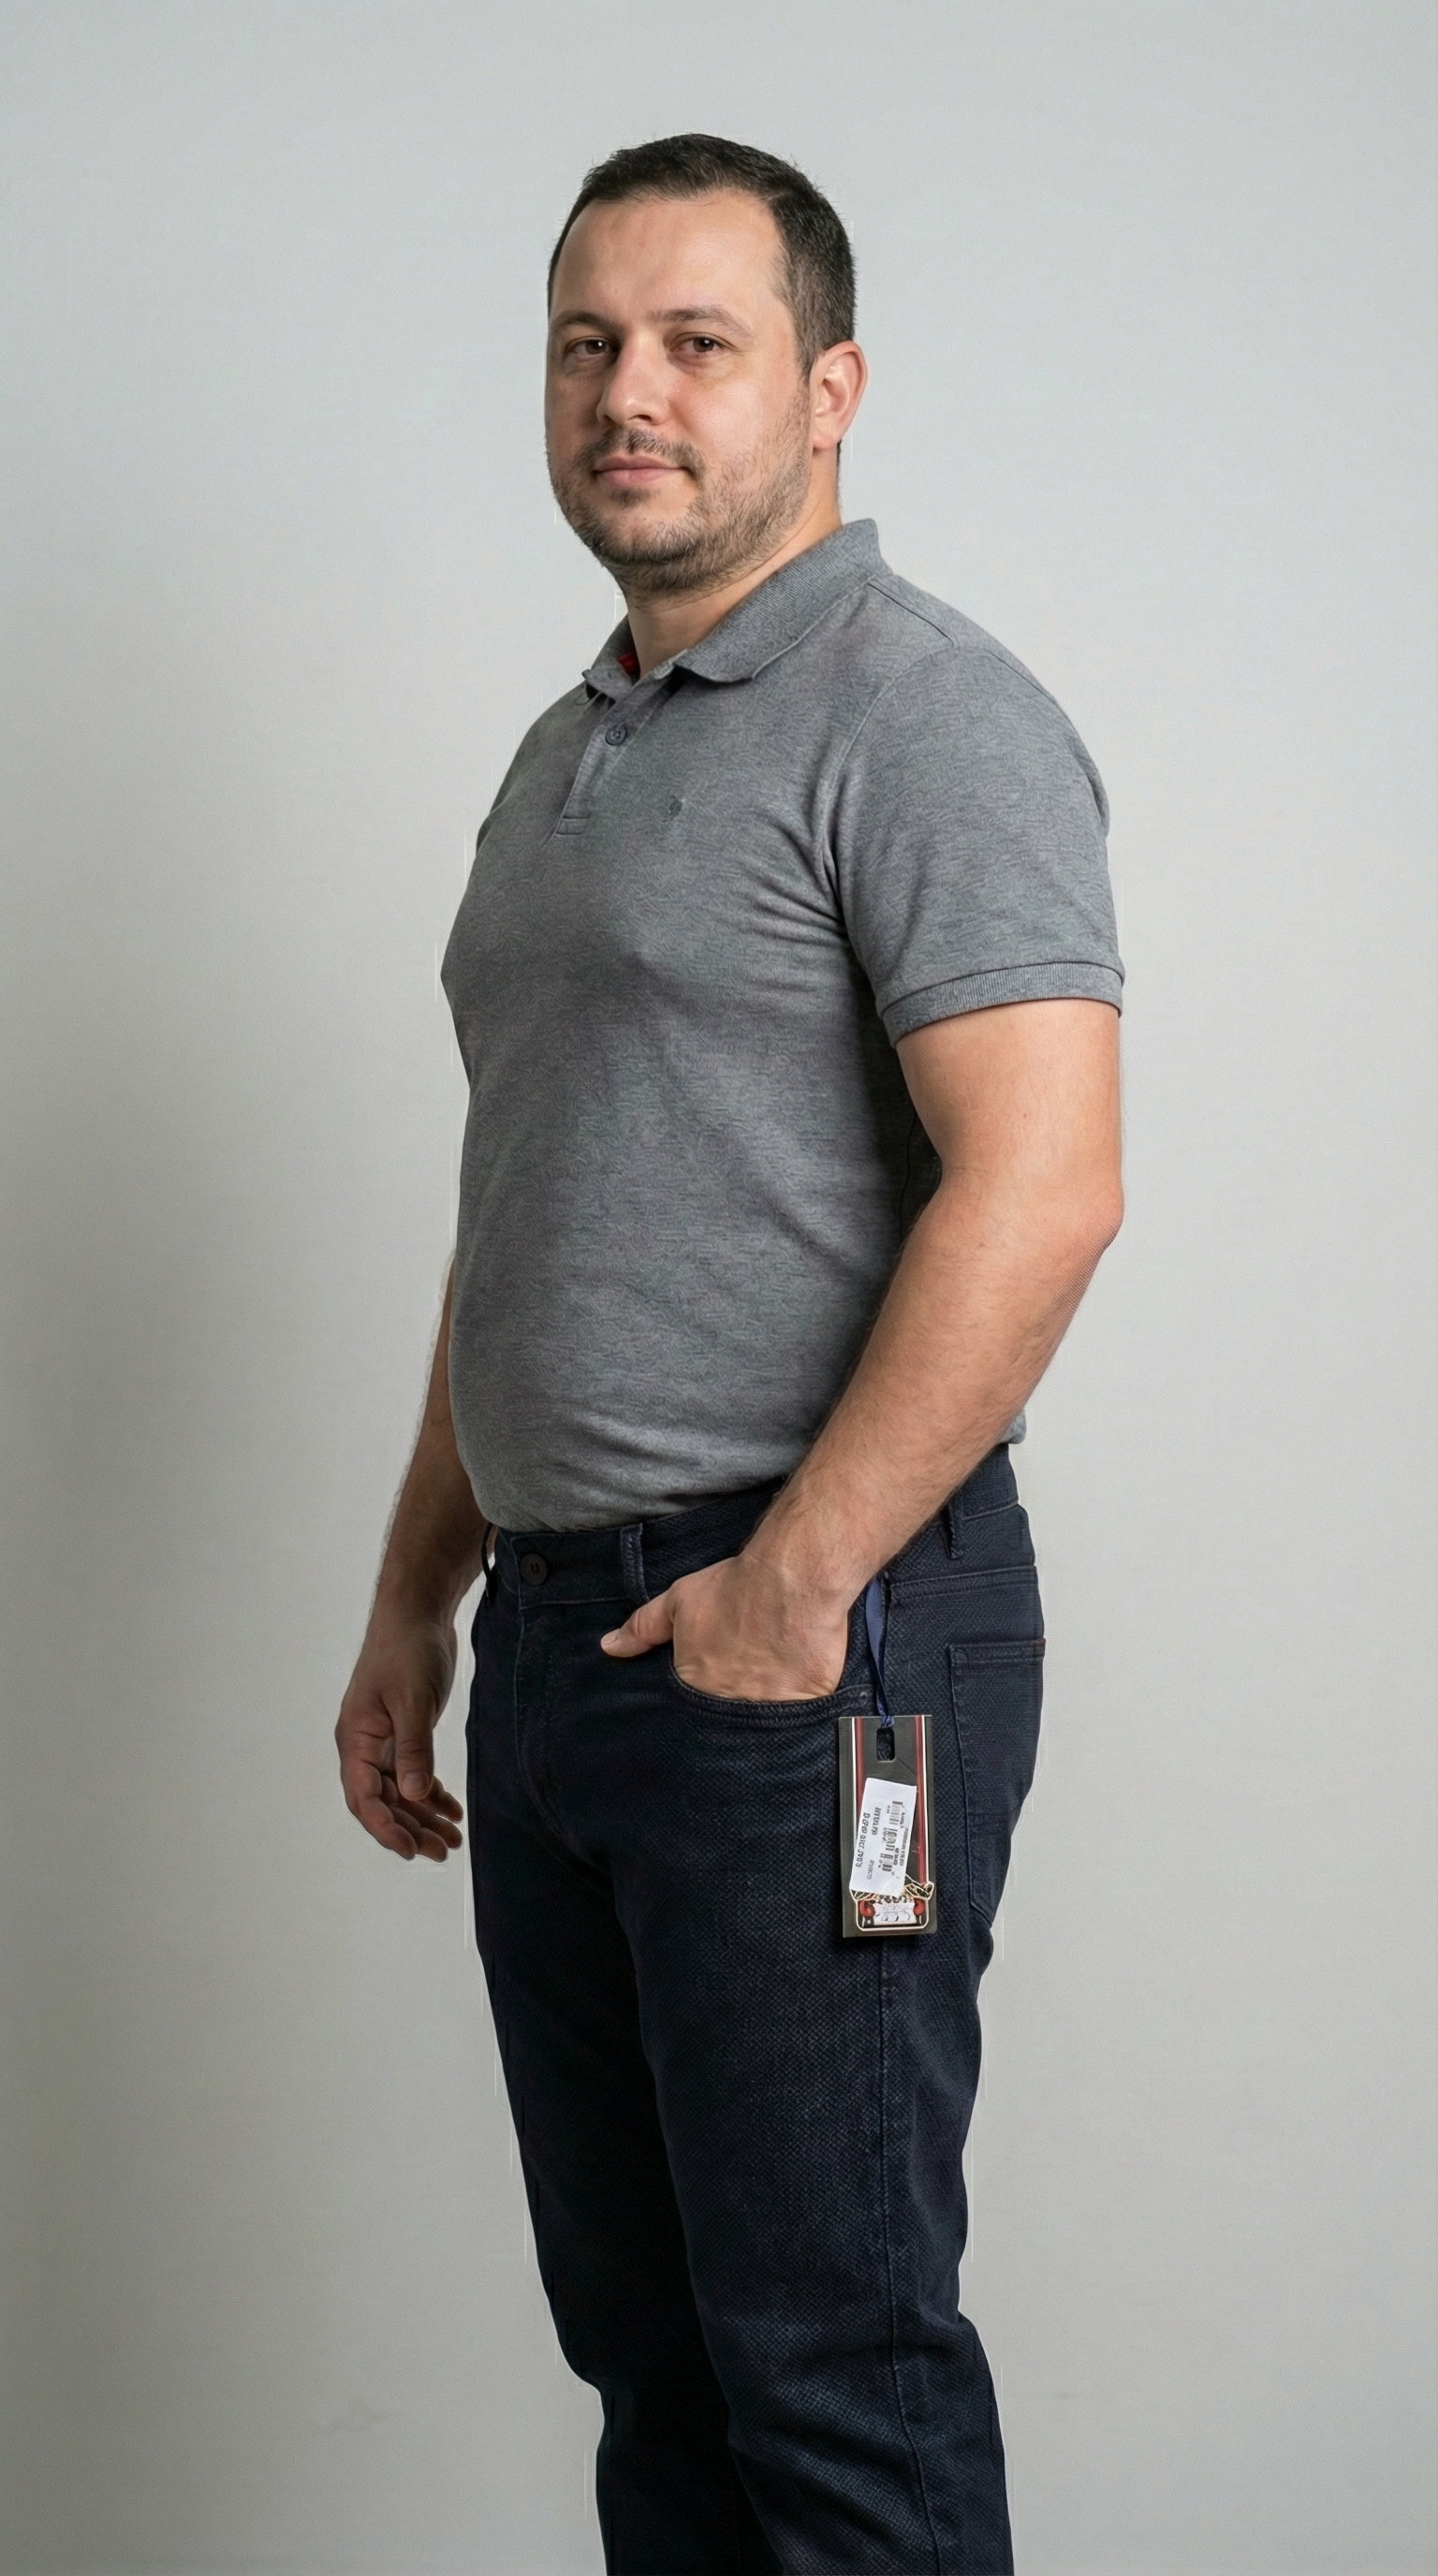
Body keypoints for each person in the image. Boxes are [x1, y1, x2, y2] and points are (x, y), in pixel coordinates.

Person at [335, 133, 1123, 2576]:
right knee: (653, 2366)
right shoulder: (566, 753)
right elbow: (533, 1211)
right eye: (588, 345)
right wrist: (418, 1593)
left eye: (699, 343)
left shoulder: (930, 716)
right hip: (568, 1646)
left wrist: (799, 1587)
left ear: (832, 387)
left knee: (829, 2372)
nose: (629, 396)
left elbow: (1047, 1185)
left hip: (815, 1646)